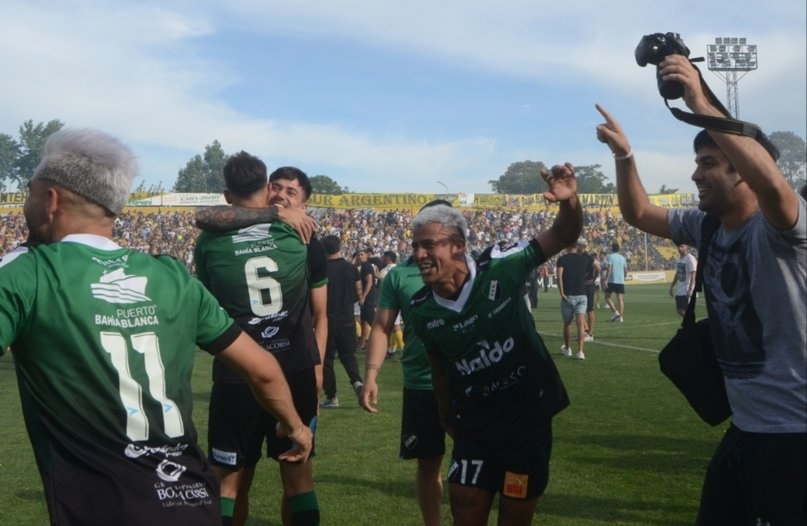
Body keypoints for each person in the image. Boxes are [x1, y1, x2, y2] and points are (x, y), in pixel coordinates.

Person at [0, 129, 312, 526]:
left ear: (51, 200)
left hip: (104, 508)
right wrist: (296, 427)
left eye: (28, 192)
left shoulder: (27, 272)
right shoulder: (172, 275)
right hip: (191, 500)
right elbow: (264, 370)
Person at [595, 51, 806, 525]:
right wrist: (625, 156)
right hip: (744, 430)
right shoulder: (706, 225)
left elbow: (774, 188)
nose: (695, 174)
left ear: (742, 169)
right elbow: (639, 213)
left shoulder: (782, 227)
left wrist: (698, 99)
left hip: (794, 437)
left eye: (708, 163)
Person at [407, 164, 583, 526]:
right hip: (474, 426)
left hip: (526, 421)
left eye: (429, 245)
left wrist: (569, 202)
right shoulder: (421, 310)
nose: (420, 254)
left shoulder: (502, 265)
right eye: (416, 246)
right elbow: (439, 364)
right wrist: (445, 414)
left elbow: (564, 234)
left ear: (458, 246)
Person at [195, 160, 327, 526]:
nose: (282, 196)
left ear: (227, 195)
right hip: (293, 368)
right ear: (266, 189)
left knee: (228, 483)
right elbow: (321, 312)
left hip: (238, 369)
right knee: (299, 479)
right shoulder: (301, 235)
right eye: (277, 188)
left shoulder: (209, 241)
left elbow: (210, 303)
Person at [360, 200, 450, 526]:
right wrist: (371, 375)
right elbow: (382, 328)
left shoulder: (472, 268)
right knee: (428, 464)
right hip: (421, 383)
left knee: (476, 462)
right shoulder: (399, 275)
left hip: (470, 380)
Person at [320, 234, 364, 408]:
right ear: (339, 247)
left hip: (327, 319)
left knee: (327, 359)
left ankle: (331, 396)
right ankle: (357, 382)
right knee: (348, 356)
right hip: (347, 319)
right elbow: (358, 293)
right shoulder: (351, 268)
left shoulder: (321, 268)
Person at [556, 237, 594, 360]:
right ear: (576, 246)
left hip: (568, 295)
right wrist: (593, 279)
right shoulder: (584, 259)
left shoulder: (562, 259)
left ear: (567, 246)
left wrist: (561, 292)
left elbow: (559, 276)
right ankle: (581, 352)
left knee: (567, 323)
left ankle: (568, 349)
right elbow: (595, 268)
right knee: (580, 324)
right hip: (582, 294)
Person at [357, 247, 379, 351]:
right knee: (363, 321)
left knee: (372, 322)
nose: (359, 256)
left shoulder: (367, 266)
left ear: (367, 255)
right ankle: (362, 344)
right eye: (359, 254)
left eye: (362, 254)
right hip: (367, 298)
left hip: (368, 298)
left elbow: (369, 282)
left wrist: (363, 297)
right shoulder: (364, 266)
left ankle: (379, 344)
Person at [670, 244, 697, 317]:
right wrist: (672, 287)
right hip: (680, 289)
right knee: (679, 310)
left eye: (682, 246)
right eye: (678, 247)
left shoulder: (690, 258)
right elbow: (677, 274)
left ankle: (690, 322)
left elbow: (693, 274)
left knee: (685, 310)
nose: (679, 248)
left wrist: (690, 289)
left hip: (687, 288)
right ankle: (690, 322)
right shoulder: (678, 259)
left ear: (686, 247)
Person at [603, 242, 627, 322]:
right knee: (620, 299)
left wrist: (606, 279)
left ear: (612, 249)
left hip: (611, 280)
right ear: (618, 249)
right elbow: (625, 270)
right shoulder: (623, 258)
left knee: (607, 297)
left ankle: (616, 313)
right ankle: (621, 317)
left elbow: (609, 268)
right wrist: (624, 277)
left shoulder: (610, 257)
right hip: (620, 281)